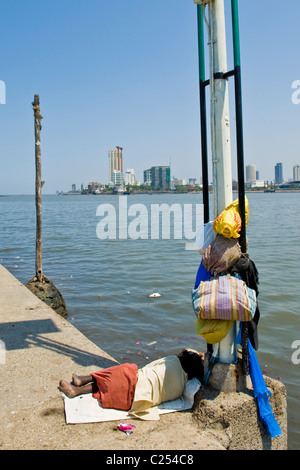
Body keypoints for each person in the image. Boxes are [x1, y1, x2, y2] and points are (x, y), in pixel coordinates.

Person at [59, 348, 204, 420]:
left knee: (124, 371)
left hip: (130, 390)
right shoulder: (180, 390)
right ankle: (79, 386)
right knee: (116, 383)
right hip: (131, 403)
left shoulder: (172, 361)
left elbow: (146, 369)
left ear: (182, 358)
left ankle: (81, 384)